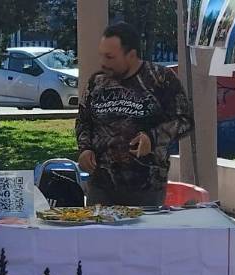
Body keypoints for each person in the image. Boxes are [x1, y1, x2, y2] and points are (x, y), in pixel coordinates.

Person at [76, 22, 193, 206]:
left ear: (131, 55)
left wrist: (152, 138)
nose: (103, 63)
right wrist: (85, 149)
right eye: (102, 56)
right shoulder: (96, 83)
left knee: (141, 235)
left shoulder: (161, 79)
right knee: (98, 234)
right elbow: (84, 121)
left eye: (110, 57)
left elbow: (184, 120)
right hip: (101, 187)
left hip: (146, 187)